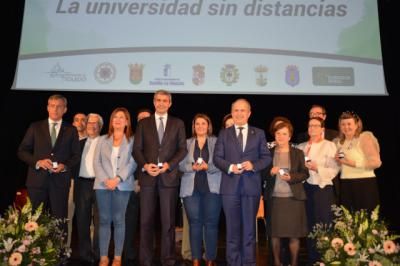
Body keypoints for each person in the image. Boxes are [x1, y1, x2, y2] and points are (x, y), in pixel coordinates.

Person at [214, 99, 271, 266]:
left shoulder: (259, 133)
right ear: (232, 113)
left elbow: (266, 158)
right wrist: (230, 167)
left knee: (249, 231)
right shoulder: (224, 134)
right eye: (236, 110)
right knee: (232, 231)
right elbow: (217, 158)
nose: (239, 113)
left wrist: (253, 165)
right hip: (230, 188)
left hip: (251, 188)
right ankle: (233, 263)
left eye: (242, 110)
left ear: (249, 113)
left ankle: (249, 263)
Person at [133, 89, 187, 266]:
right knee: (146, 221)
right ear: (154, 102)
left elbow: (182, 149)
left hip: (168, 178)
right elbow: (137, 150)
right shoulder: (143, 123)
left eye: (165, 100)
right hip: (148, 177)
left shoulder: (178, 123)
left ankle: (168, 260)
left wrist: (168, 165)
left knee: (168, 223)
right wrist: (145, 165)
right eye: (158, 100)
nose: (162, 103)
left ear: (170, 103)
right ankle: (145, 260)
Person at [17, 94, 80, 232]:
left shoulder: (71, 130)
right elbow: (22, 151)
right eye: (52, 106)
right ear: (47, 108)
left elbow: (76, 156)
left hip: (60, 182)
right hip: (37, 181)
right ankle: (32, 252)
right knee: (33, 219)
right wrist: (38, 162)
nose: (55, 109)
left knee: (60, 220)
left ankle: (59, 253)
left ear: (65, 109)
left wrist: (65, 166)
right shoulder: (35, 127)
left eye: (59, 106)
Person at [94, 107, 137, 266]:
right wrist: (107, 180)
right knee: (104, 220)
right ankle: (104, 257)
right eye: (115, 117)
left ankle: (117, 257)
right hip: (102, 185)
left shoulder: (133, 140)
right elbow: (96, 163)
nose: (118, 120)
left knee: (119, 220)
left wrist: (118, 179)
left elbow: (133, 163)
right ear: (111, 121)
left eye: (122, 117)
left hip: (123, 185)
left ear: (127, 122)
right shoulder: (102, 140)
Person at [179, 114, 222, 266]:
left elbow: (221, 163)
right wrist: (191, 167)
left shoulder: (216, 142)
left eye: (203, 123)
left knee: (211, 223)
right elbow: (180, 165)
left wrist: (207, 167)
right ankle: (196, 259)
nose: (200, 126)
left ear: (208, 126)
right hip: (191, 190)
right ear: (194, 126)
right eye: (197, 124)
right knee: (195, 224)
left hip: (212, 189)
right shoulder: (187, 143)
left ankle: (210, 259)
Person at [264, 121, 308, 266]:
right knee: (275, 235)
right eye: (278, 133)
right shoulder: (268, 154)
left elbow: (304, 173)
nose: (281, 137)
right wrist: (270, 172)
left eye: (284, 134)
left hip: (293, 200)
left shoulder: (298, 153)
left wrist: (292, 177)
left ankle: (294, 263)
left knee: (294, 237)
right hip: (275, 199)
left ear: (289, 136)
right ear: (274, 135)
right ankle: (277, 263)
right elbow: (260, 174)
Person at [297, 117, 340, 265]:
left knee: (324, 223)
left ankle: (326, 259)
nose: (312, 128)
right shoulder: (301, 147)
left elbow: (335, 169)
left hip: (322, 188)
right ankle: (312, 258)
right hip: (305, 188)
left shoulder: (329, 146)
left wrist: (317, 168)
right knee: (309, 224)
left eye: (316, 126)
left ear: (322, 129)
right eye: (310, 126)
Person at [334, 111, 381, 212]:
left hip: (365, 183)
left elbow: (376, 162)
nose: (346, 127)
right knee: (349, 220)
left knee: (366, 221)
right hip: (346, 183)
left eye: (349, 124)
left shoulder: (364, 137)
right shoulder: (338, 142)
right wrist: (338, 162)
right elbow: (341, 163)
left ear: (357, 125)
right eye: (343, 124)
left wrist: (352, 163)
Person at [74, 113, 103, 265]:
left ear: (100, 126)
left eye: (95, 123)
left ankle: (98, 253)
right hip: (81, 185)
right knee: (82, 221)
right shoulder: (78, 143)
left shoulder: (106, 142)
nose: (91, 125)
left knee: (100, 222)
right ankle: (85, 254)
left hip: (100, 185)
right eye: (89, 123)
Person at [123, 108, 151, 266]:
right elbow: (130, 161)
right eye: (140, 119)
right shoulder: (131, 139)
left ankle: (147, 253)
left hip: (150, 185)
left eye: (146, 118)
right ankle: (129, 252)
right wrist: (135, 181)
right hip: (131, 185)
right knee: (130, 221)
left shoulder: (156, 140)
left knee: (148, 222)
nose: (143, 121)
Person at [67, 112, 87, 249]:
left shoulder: (93, 141)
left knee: (88, 220)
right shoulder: (66, 142)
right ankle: (64, 249)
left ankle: (90, 251)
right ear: (73, 123)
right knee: (66, 218)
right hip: (70, 183)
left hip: (86, 184)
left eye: (83, 120)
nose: (79, 122)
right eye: (76, 120)